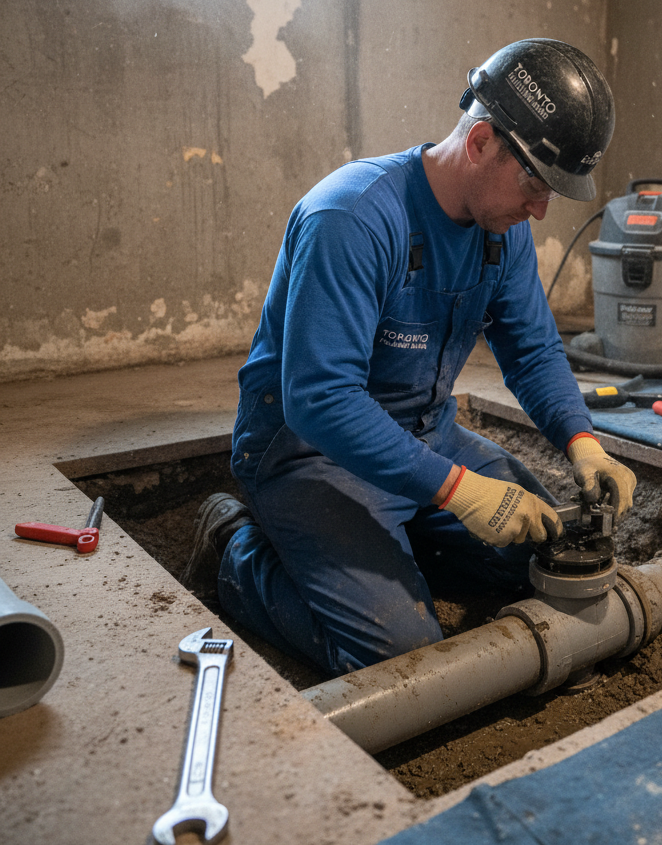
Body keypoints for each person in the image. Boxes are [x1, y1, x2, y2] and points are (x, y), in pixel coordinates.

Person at [183, 38, 637, 676]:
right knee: (401, 656)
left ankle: (390, 547)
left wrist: (582, 442)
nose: (540, 210)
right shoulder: (350, 218)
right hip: (313, 454)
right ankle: (236, 548)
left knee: (548, 554)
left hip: (426, 437)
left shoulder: (500, 231)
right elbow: (319, 400)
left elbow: (533, 351)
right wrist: (458, 490)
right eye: (535, 182)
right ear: (480, 141)